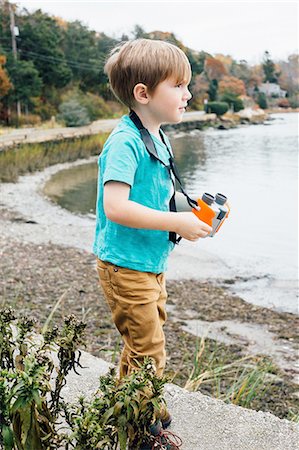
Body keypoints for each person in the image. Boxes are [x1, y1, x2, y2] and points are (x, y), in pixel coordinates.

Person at [93, 38, 212, 449]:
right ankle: (139, 429)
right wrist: (176, 220)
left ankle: (125, 405)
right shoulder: (124, 142)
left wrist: (188, 208)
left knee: (142, 341)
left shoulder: (156, 136)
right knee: (149, 349)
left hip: (148, 260)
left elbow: (153, 196)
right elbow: (116, 208)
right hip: (125, 264)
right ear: (143, 94)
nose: (188, 94)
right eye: (178, 86)